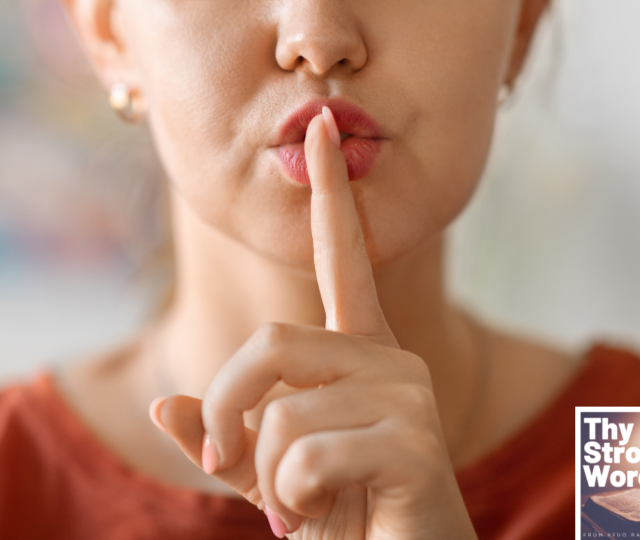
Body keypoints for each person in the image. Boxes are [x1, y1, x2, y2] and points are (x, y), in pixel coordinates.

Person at [0, 0, 638, 538]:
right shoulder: (14, 476)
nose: (319, 39)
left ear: (522, 24)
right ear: (108, 34)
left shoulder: (620, 447)